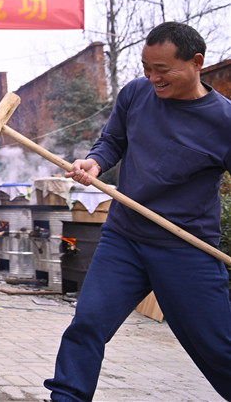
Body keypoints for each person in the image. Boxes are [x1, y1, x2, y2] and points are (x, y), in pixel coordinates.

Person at [44, 22, 231, 401]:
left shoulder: (224, 122)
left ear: (196, 63)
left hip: (186, 248)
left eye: (162, 69)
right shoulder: (136, 94)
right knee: (88, 323)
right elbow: (112, 141)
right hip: (124, 239)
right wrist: (95, 164)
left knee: (218, 348)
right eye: (146, 67)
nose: (152, 77)